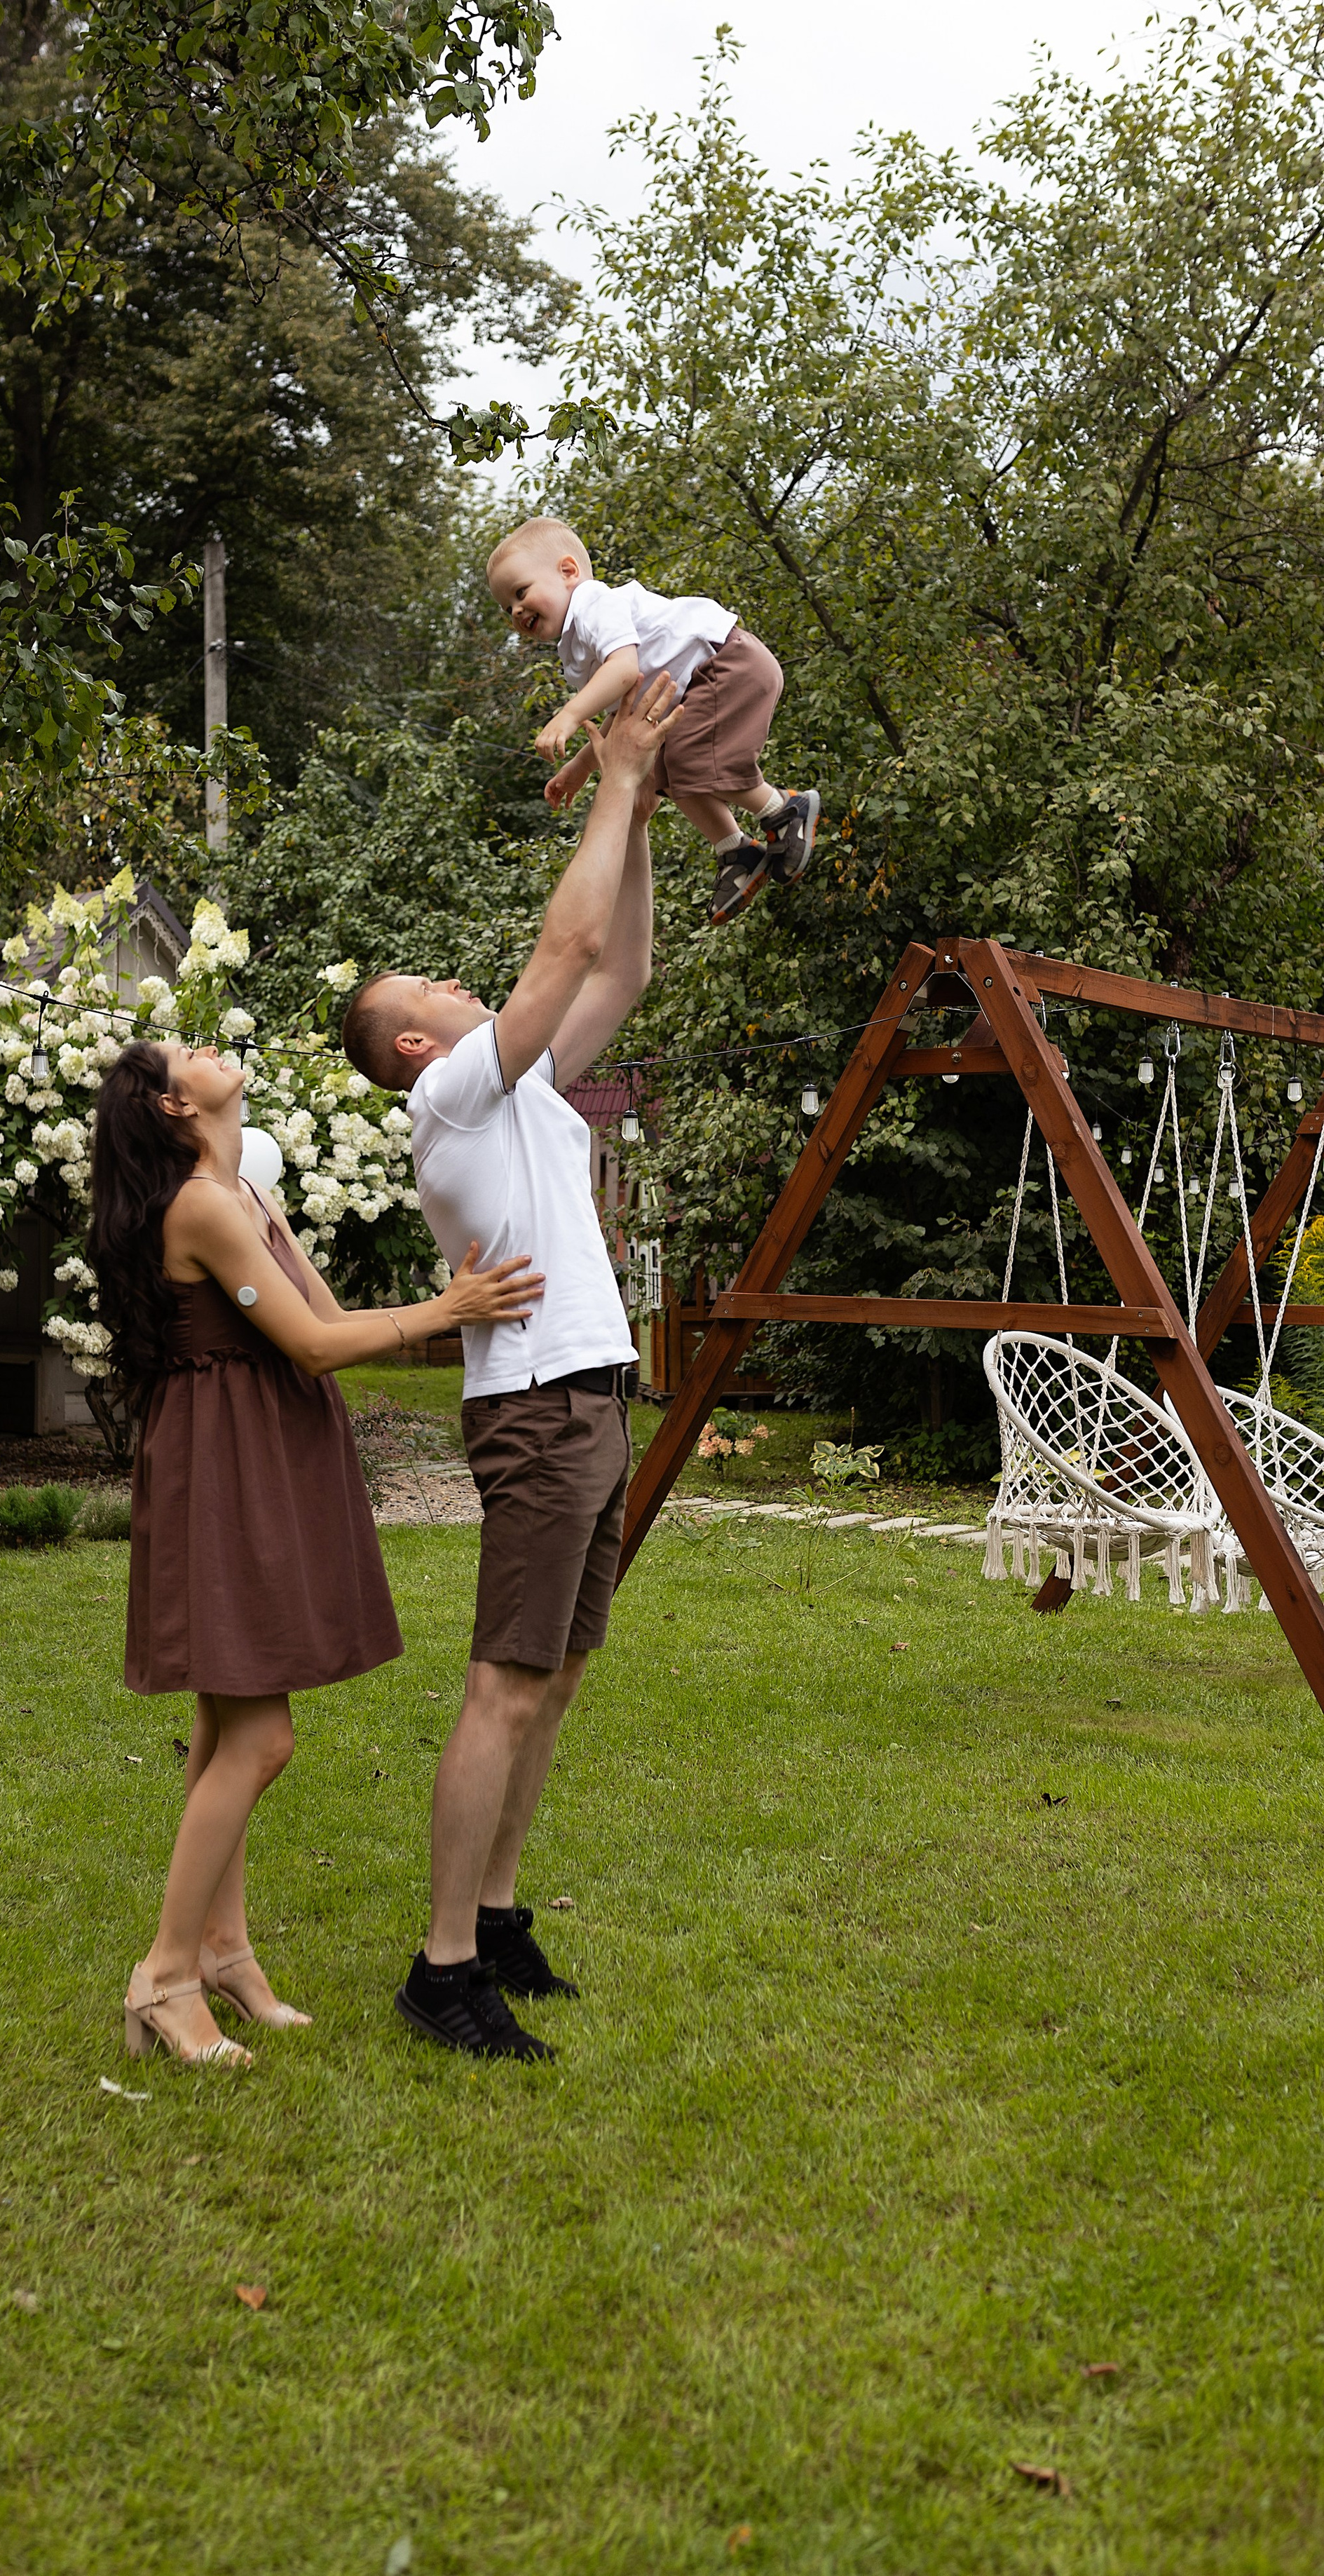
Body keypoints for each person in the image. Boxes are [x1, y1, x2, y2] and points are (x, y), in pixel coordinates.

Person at [338, 672, 680, 2061]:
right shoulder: (447, 1091)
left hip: (584, 1392)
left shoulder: (523, 1085)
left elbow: (620, 966)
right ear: (413, 1043)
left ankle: (490, 1917)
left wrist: (641, 798)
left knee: (559, 1669)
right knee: (503, 1677)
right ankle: (438, 1971)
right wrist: (607, 778)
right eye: (427, 987)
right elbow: (558, 954)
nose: (451, 977)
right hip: (535, 1408)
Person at [88, 1036, 545, 2069]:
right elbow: (314, 1348)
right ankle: (164, 1975)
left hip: (255, 1452)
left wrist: (449, 1315)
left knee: (223, 1723)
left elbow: (332, 1322)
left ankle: (225, 1952)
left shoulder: (242, 1194)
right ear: (172, 1107)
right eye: (182, 1054)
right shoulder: (201, 1208)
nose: (207, 1045)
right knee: (260, 1739)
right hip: (225, 1466)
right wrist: (449, 1308)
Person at [485, 513, 819, 926]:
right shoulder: (577, 647)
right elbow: (621, 713)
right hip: (699, 685)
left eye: (521, 592)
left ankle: (783, 807)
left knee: (692, 758)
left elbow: (624, 671)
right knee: (665, 770)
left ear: (568, 571)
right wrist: (581, 767)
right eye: (507, 607)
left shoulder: (594, 605)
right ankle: (736, 849)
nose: (517, 611)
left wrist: (569, 715)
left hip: (726, 663)